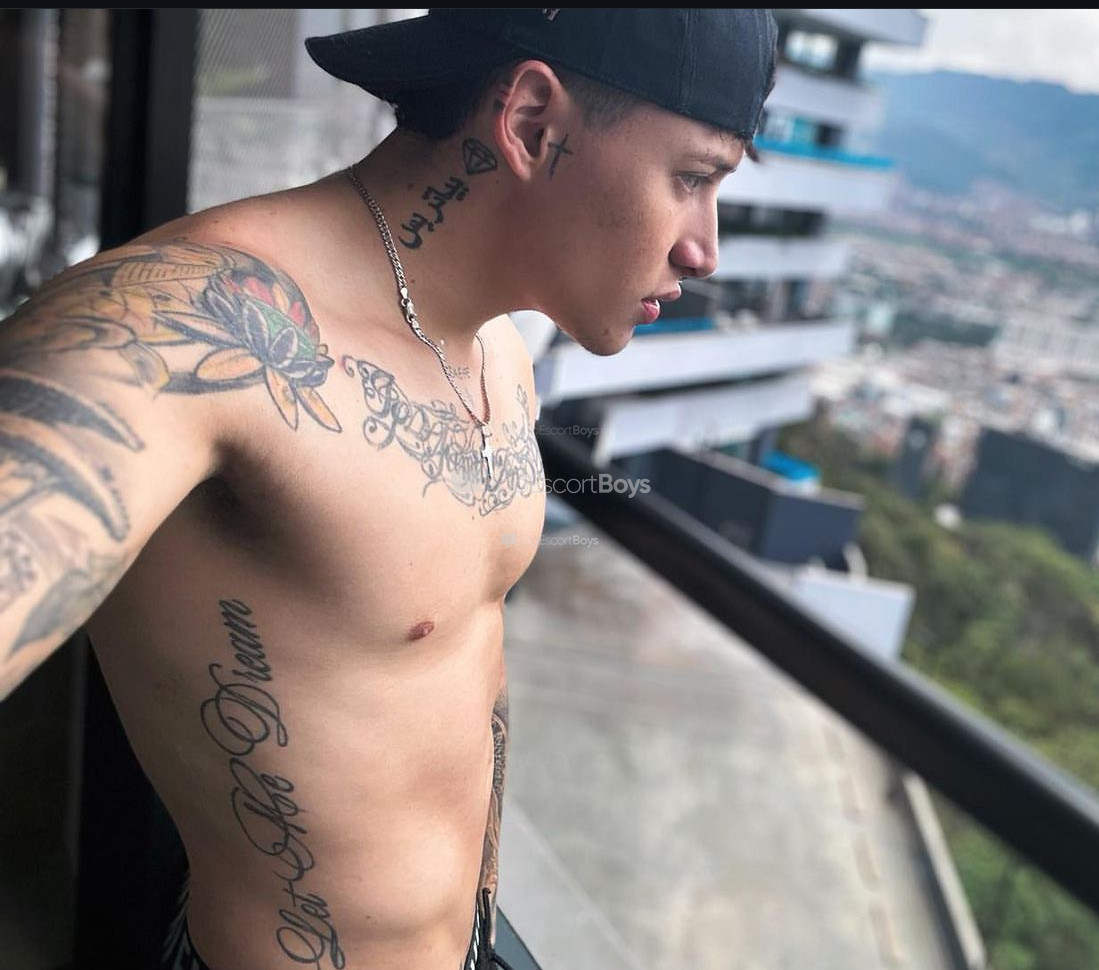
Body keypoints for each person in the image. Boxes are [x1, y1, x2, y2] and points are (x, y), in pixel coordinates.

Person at [0, 9, 776, 970]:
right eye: (693, 178)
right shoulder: (188, 325)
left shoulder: (498, 348)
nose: (706, 249)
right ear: (532, 122)